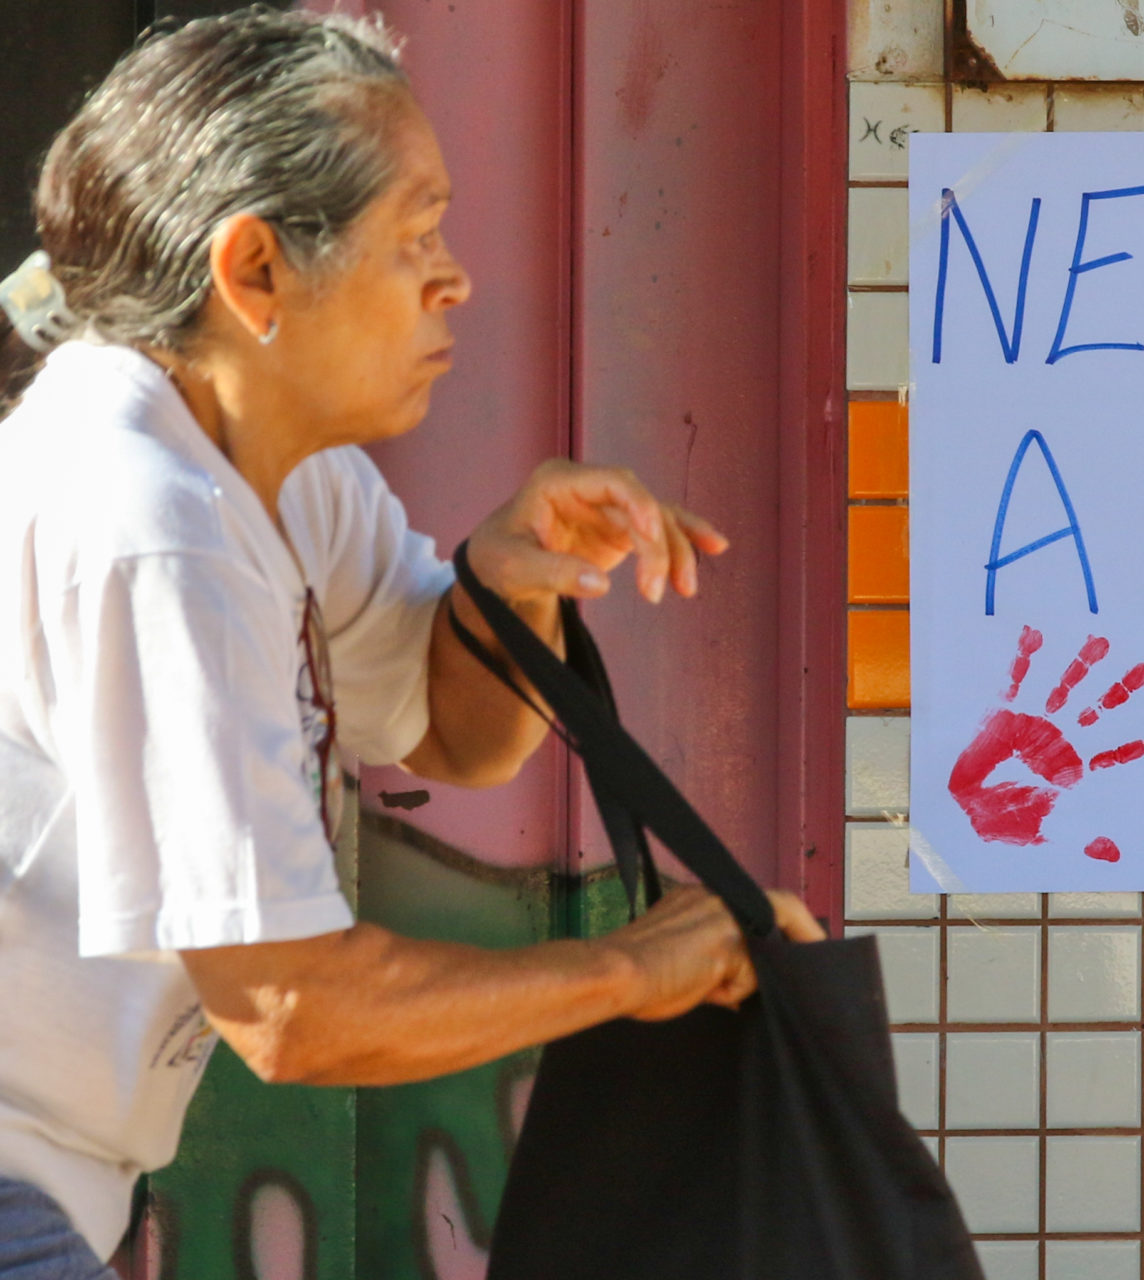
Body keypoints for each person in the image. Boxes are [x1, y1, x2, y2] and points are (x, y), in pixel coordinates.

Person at [0, 10, 824, 1276]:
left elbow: (455, 733)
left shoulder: (266, 464)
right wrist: (629, 968)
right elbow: (288, 1003)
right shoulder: (150, 516)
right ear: (255, 273)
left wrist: (504, 581)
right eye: (418, 236)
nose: (456, 281)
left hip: (63, 1173)